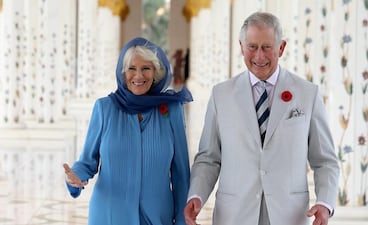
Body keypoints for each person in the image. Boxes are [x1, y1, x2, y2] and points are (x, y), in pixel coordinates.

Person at [184, 12, 339, 225]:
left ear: (281, 48)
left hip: (289, 215)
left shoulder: (307, 94)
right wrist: (196, 195)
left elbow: (325, 161)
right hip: (234, 215)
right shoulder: (221, 94)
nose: (259, 56)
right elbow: (208, 158)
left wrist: (325, 203)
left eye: (267, 47)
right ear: (241, 47)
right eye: (252, 47)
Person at [63, 37, 193, 225]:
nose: (138, 76)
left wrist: (182, 221)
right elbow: (87, 163)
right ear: (123, 73)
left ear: (155, 73)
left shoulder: (171, 110)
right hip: (109, 216)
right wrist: (75, 178)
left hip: (156, 218)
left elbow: (181, 174)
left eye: (146, 68)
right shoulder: (104, 108)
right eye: (132, 69)